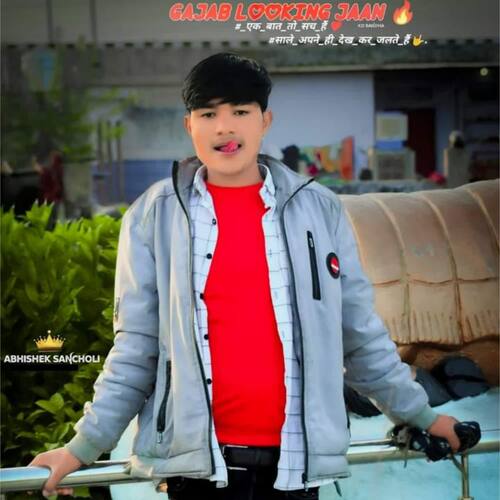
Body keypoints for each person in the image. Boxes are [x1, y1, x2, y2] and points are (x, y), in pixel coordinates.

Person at [28, 53, 460, 499]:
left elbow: (360, 336)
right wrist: (82, 447)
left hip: (295, 468)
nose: (224, 128)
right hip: (200, 474)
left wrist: (422, 417)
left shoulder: (318, 210)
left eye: (239, 112)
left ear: (264, 121)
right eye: (208, 114)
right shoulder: (154, 216)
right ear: (189, 125)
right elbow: (136, 350)